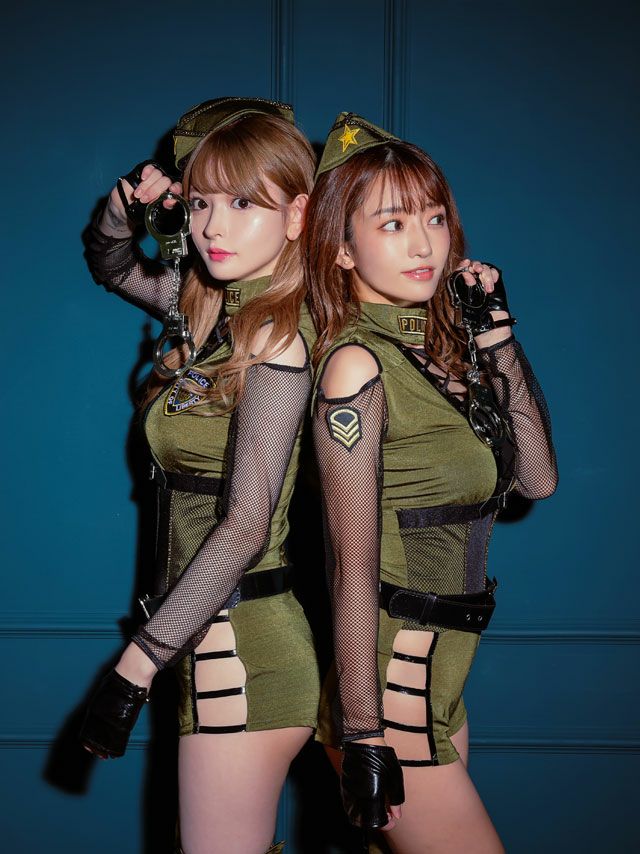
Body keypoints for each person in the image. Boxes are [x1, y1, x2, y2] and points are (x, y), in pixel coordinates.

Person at [303, 113, 558, 852]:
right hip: (391, 687)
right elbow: (351, 564)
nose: (424, 244)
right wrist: (363, 731)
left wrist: (496, 335)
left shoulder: (442, 358)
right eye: (392, 223)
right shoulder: (358, 366)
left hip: (444, 675)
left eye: (435, 217)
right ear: (341, 248)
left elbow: (537, 479)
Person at [80, 97, 321, 854]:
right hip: (201, 637)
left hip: (241, 646)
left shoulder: (277, 338)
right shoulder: (212, 314)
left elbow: (246, 525)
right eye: (204, 202)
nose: (216, 226)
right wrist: (125, 204)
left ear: (297, 215)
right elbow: (110, 263)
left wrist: (134, 667)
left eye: (244, 203)